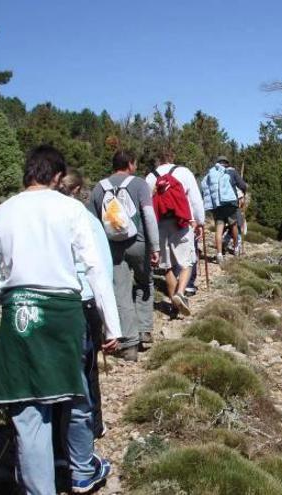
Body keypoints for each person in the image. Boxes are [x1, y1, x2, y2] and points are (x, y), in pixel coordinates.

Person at [0, 145, 120, 494]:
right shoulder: (70, 209)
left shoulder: (2, 211)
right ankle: (81, 468)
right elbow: (96, 270)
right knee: (75, 394)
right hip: (64, 313)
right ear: (57, 176)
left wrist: (11, 298)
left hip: (20, 312)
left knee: (28, 413)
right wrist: (111, 325)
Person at [55, 169, 112, 456]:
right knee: (87, 371)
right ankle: (93, 426)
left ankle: (56, 442)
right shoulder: (86, 220)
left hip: (46, 305)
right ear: (78, 190)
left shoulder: (42, 218)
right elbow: (101, 270)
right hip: (82, 302)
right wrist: (110, 322)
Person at [90, 151, 159, 361]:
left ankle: (129, 345)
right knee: (145, 283)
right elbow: (148, 215)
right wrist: (155, 246)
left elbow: (92, 222)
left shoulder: (98, 188)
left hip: (113, 247)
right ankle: (144, 330)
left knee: (120, 293)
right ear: (130, 164)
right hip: (138, 243)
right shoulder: (139, 184)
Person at [145, 150, 204, 316]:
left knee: (167, 266)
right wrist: (199, 221)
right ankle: (180, 293)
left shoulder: (150, 177)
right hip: (181, 222)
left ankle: (173, 306)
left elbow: (147, 205)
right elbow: (195, 199)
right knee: (188, 261)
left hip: (159, 223)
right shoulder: (183, 172)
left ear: (158, 161)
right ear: (172, 158)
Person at [202, 156, 240, 264]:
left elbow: (204, 188)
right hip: (229, 204)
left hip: (217, 205)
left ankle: (219, 254)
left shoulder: (210, 174)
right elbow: (242, 185)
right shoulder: (230, 172)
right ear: (226, 163)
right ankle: (236, 248)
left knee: (219, 229)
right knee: (233, 225)